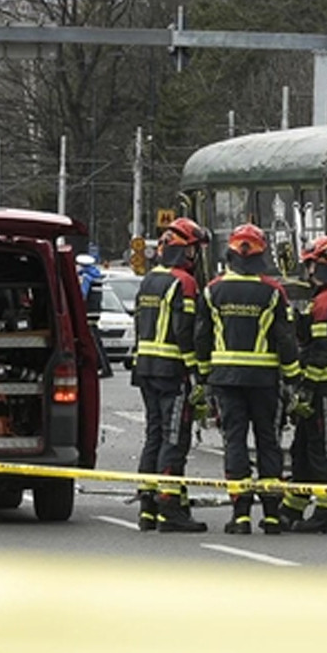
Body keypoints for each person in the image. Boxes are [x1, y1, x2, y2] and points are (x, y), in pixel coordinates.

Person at [198, 223, 301, 535]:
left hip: (226, 380)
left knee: (235, 442)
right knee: (268, 442)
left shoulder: (212, 290)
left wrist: (203, 376)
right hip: (263, 381)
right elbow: (285, 339)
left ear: (231, 254)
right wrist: (294, 378)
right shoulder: (273, 292)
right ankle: (271, 516)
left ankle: (240, 515)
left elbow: (201, 337)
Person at [129, 218, 211, 533]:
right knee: (174, 438)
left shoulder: (149, 280)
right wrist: (197, 373)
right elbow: (185, 332)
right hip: (172, 372)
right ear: (185, 252)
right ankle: (170, 509)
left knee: (154, 435)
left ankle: (147, 507)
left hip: (146, 369)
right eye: (193, 250)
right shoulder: (184, 283)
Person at [279, 235, 327, 534]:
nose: (307, 272)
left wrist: (305, 389)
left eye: (309, 265)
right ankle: (293, 507)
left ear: (318, 266)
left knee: (321, 450)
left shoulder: (325, 303)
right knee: (302, 449)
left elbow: (321, 351)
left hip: (325, 388)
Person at [76, 253, 113, 379]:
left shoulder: (86, 277)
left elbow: (82, 294)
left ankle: (103, 367)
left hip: (89, 312)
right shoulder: (95, 275)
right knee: (96, 340)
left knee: (94, 341)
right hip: (95, 311)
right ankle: (103, 366)